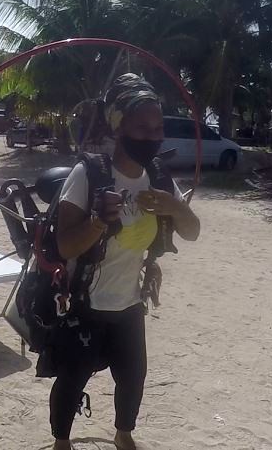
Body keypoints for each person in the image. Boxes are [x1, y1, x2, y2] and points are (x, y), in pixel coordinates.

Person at [50, 74, 201, 450]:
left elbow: (192, 232)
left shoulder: (159, 177)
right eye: (142, 128)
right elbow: (65, 246)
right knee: (73, 377)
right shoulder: (89, 174)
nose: (152, 136)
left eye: (158, 128)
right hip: (86, 302)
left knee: (133, 377)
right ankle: (61, 442)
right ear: (119, 127)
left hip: (131, 302)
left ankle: (123, 434)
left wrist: (175, 206)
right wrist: (99, 222)